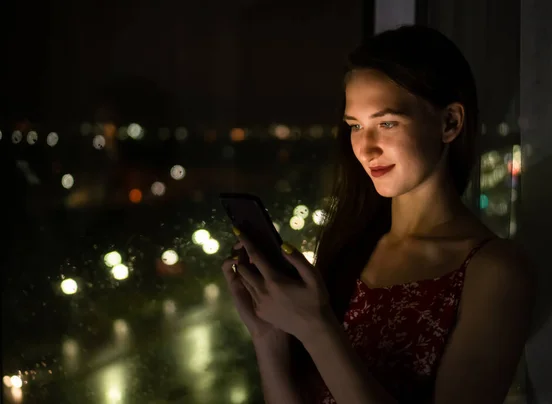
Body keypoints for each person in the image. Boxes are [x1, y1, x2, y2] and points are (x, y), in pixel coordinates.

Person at [221, 25, 535, 404]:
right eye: (356, 126)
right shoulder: (352, 244)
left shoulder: (493, 270)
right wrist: (268, 338)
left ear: (449, 122)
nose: (366, 148)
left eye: (386, 123)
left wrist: (317, 328)